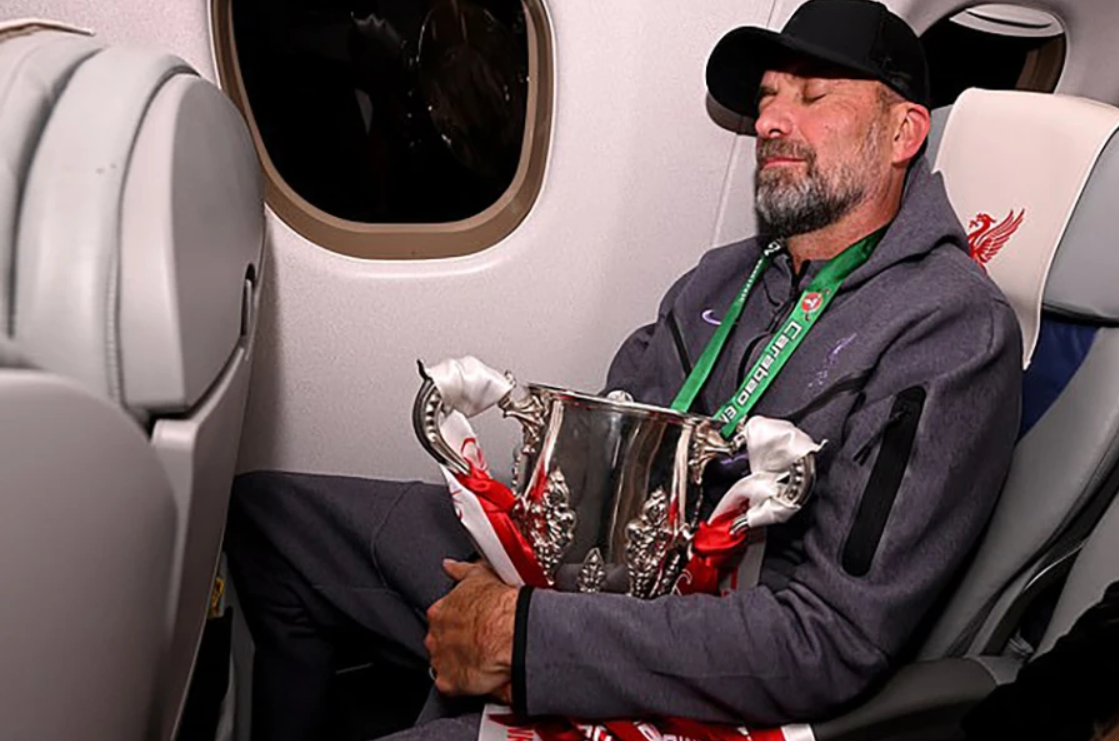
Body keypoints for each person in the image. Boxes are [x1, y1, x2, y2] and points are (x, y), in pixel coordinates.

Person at [225, 1, 1023, 739]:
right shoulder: (724, 275)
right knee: (267, 517)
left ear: (902, 133)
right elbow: (614, 433)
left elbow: (828, 637)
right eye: (770, 98)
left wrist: (528, 633)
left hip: (722, 647)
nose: (771, 121)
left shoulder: (949, 331)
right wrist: (518, 552)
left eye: (812, 96)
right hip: (593, 574)